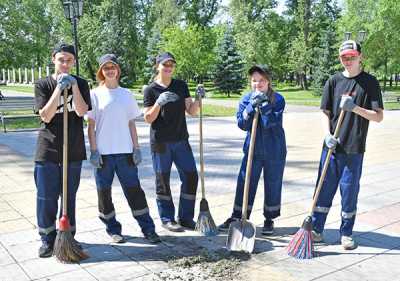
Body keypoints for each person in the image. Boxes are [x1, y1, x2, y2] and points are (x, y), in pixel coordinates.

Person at [311, 40, 384, 250]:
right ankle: (316, 229)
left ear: (360, 57)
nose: (348, 61)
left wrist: (354, 108)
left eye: (352, 56)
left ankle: (346, 233)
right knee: (324, 189)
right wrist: (327, 135)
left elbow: (378, 117)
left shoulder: (370, 82)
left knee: (349, 191)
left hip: (354, 148)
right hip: (332, 146)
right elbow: (325, 112)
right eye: (344, 57)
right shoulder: (333, 81)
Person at [87, 54, 160, 244]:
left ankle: (148, 229)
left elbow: (131, 124)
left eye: (113, 67)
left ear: (118, 70)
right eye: (106, 68)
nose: (110, 70)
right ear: (101, 72)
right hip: (103, 155)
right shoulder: (94, 94)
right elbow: (91, 125)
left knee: (135, 192)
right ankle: (112, 229)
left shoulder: (126, 94)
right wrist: (94, 151)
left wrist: (136, 148)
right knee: (104, 194)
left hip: (125, 152)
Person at [34, 43, 91, 258]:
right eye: (61, 60)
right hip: (48, 149)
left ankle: (67, 235)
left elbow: (82, 110)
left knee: (69, 197)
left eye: (69, 60)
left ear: (74, 62)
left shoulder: (82, 83)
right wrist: (59, 88)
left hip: (73, 149)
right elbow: (45, 116)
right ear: (53, 59)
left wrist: (74, 86)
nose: (65, 64)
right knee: (47, 197)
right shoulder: (43, 84)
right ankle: (47, 239)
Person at [218, 65, 287, 236]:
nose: (258, 84)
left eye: (262, 80)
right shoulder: (246, 99)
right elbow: (242, 124)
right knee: (245, 182)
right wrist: (250, 108)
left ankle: (269, 219)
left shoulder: (277, 99)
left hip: (274, 149)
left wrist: (263, 105)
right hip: (253, 149)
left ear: (268, 81)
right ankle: (238, 216)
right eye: (254, 80)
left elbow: (272, 123)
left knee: (272, 183)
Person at [143, 52, 201, 232]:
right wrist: (158, 103)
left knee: (191, 177)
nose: (168, 68)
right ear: (157, 66)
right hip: (161, 142)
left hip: (181, 139)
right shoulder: (150, 90)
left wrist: (198, 98)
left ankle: (185, 217)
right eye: (164, 65)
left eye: (171, 65)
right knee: (163, 180)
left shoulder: (180, 85)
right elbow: (148, 118)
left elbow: (191, 111)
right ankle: (167, 218)